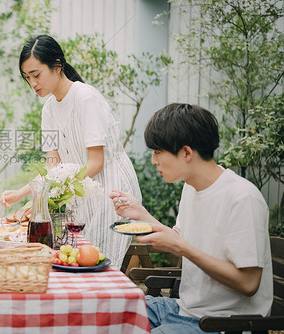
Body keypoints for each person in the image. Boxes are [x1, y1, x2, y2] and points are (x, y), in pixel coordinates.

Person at [110, 103, 272, 334]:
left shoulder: (242, 197)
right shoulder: (191, 188)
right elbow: (180, 239)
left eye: (158, 152)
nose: (154, 161)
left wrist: (182, 247)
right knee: (109, 309)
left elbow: (248, 283)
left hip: (220, 323)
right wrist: (141, 214)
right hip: (183, 309)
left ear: (186, 152)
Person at [0, 34, 141, 267]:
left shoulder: (85, 97)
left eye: (36, 75)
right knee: (76, 262)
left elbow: (96, 163)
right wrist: (22, 194)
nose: (33, 83)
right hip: (81, 190)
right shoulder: (49, 109)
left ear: (57, 66)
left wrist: (56, 192)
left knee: (100, 266)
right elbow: (52, 166)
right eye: (27, 78)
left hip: (111, 192)